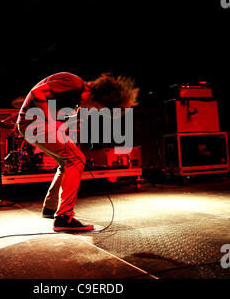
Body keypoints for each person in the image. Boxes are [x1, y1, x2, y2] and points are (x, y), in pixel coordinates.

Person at [16, 72, 139, 232]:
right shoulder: (73, 83)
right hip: (34, 123)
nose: (93, 110)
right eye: (96, 106)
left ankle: (50, 209)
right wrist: (52, 122)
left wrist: (70, 122)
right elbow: (37, 92)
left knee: (66, 162)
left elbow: (60, 109)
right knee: (77, 159)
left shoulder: (75, 95)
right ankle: (64, 217)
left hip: (32, 124)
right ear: (92, 94)